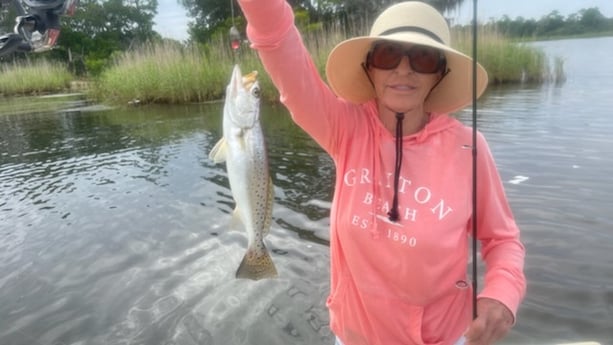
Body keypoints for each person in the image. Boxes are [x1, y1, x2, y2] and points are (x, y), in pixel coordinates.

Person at [236, 0, 526, 344]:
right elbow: (278, 41)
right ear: (369, 67)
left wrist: (501, 294)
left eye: (423, 58)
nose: (404, 70)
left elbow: (503, 239)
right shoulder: (344, 128)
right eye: (388, 54)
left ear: (440, 73)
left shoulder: (469, 148)